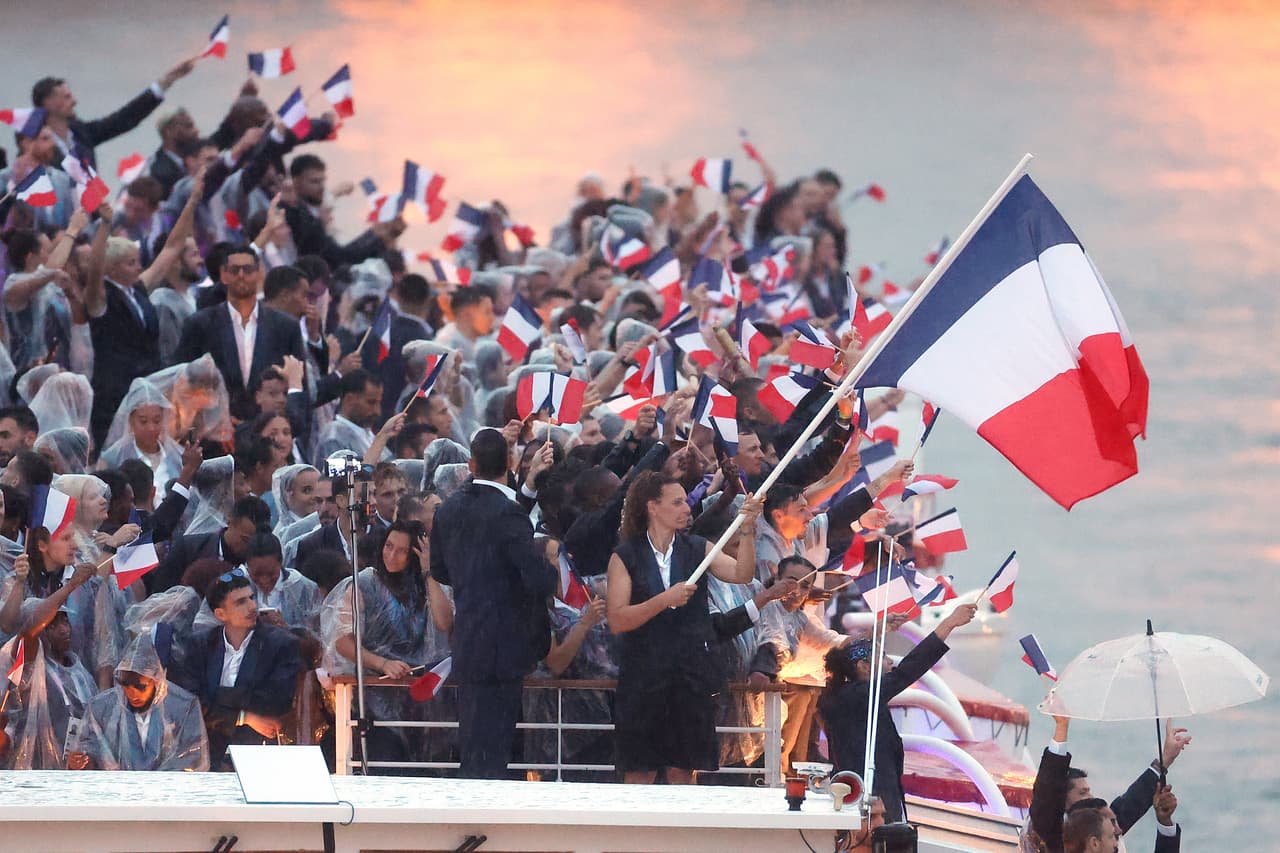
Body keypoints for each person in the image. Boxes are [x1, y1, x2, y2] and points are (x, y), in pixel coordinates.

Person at [605, 471, 762, 784]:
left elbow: (743, 574)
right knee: (639, 770)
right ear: (652, 507)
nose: (686, 508)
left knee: (684, 768)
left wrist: (746, 530)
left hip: (690, 675)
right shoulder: (625, 556)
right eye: (676, 502)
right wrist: (664, 599)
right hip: (643, 677)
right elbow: (618, 619)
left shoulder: (697, 548)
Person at [429, 428, 558, 778]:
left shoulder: (448, 509)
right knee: (495, 750)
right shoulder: (508, 514)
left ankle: (471, 820)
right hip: (505, 649)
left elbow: (439, 568)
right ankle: (484, 827)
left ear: (471, 464)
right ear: (511, 461)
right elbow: (539, 579)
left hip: (469, 642)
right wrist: (549, 564)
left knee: (473, 744)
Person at [818, 602, 978, 822]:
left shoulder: (843, 696)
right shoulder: (860, 696)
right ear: (864, 666)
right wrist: (949, 623)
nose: (890, 662)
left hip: (860, 795)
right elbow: (908, 670)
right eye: (883, 656)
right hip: (870, 803)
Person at [85, 168, 202, 449]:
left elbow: (172, 248)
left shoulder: (136, 289)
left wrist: (193, 202)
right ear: (113, 268)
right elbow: (94, 268)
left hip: (148, 388)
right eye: (130, 263)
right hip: (115, 395)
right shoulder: (101, 298)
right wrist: (104, 225)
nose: (139, 267)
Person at [324, 519, 451, 768]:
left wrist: (429, 572)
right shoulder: (364, 583)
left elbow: (445, 623)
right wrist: (382, 663)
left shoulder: (424, 585)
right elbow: (342, 641)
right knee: (388, 764)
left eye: (402, 550)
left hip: (418, 700)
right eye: (389, 546)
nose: (392, 555)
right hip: (373, 699)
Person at [171, 567, 303, 771]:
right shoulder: (199, 645)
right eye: (241, 602)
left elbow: (273, 701)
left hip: (257, 752)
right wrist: (244, 717)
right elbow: (191, 704)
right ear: (220, 614)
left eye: (251, 598)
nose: (252, 607)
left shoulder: (282, 644)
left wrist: (216, 699)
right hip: (204, 751)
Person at [171, 245, 307, 421]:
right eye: (234, 270)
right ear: (223, 275)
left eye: (248, 270)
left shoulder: (286, 327)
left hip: (270, 431)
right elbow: (181, 381)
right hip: (216, 434)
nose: (241, 275)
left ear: (259, 274)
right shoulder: (200, 324)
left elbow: (301, 387)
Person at [1027, 714, 1191, 853]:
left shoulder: (1097, 824)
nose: (1119, 830)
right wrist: (1061, 728)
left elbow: (1130, 805)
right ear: (1094, 843)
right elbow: (1047, 799)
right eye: (1082, 793)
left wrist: (1164, 762)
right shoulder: (1050, 839)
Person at [68, 632, 209, 772]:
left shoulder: (184, 707)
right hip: (116, 790)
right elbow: (90, 748)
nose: (132, 693)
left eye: (140, 687)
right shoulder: (101, 708)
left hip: (167, 791)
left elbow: (193, 757)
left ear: (156, 681)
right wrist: (82, 760)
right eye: (125, 685)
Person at [30, 60, 196, 167]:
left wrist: (168, 80)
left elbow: (124, 119)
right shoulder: (32, 144)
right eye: (66, 97)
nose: (74, 101)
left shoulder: (81, 133)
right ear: (49, 104)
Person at [149, 495, 270, 594]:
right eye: (245, 540)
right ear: (229, 522)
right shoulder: (188, 548)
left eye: (255, 542)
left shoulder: (261, 563)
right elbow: (160, 594)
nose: (250, 547)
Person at [243, 532, 323, 632]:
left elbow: (318, 634)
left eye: (271, 574)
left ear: (281, 562)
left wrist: (287, 629)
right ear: (247, 567)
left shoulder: (304, 589)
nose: (264, 580)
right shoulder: (239, 587)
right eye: (257, 574)